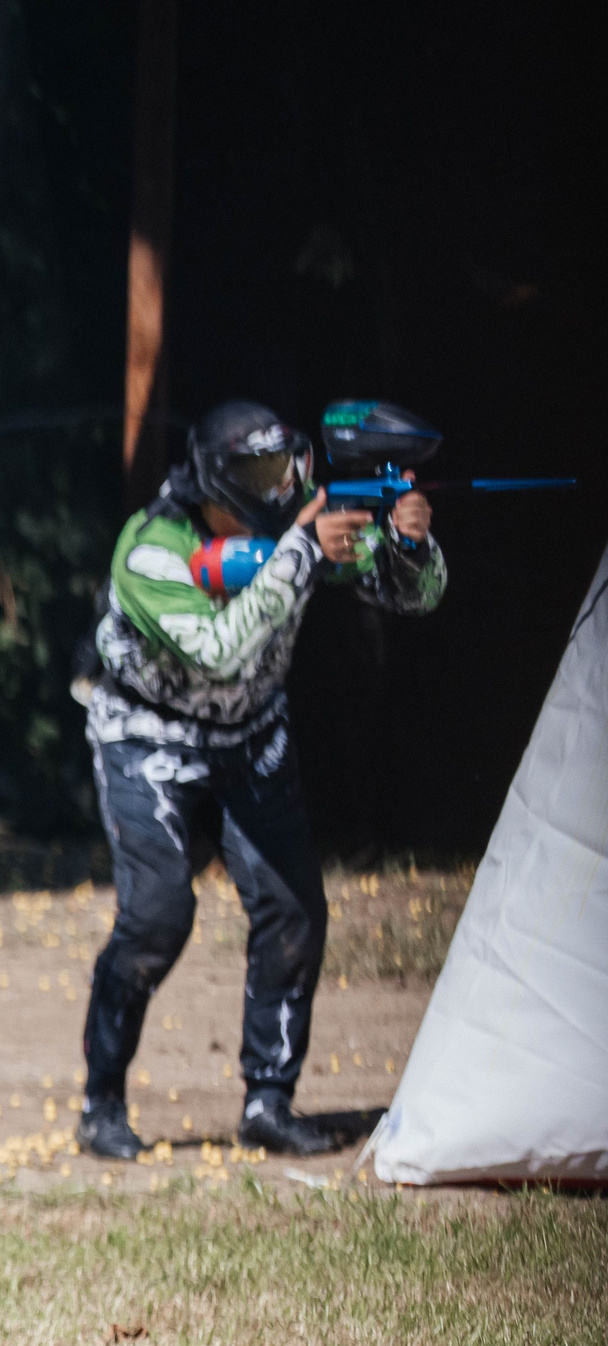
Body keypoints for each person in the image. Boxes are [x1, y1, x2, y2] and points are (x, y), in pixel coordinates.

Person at [77, 399, 443, 1161]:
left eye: (285, 470)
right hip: (145, 739)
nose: (277, 488)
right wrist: (302, 553)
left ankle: (268, 1103)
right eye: (256, 474)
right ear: (211, 480)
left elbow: (415, 595)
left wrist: (407, 546)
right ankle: (100, 1102)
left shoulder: (301, 526)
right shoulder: (150, 553)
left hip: (252, 738)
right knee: (155, 919)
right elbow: (219, 651)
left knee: (295, 913)